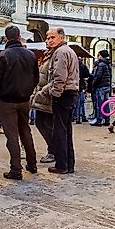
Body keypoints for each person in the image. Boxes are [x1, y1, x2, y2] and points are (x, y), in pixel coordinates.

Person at [0, 26, 39, 180]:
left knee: (11, 135)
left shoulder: (4, 56)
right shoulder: (31, 55)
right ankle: (32, 164)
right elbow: (36, 77)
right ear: (19, 37)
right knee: (26, 132)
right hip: (24, 99)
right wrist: (28, 91)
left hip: (7, 100)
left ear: (6, 38)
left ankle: (16, 169)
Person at [37, 27, 80, 174]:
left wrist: (54, 94)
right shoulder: (66, 51)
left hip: (63, 95)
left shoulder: (61, 52)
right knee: (66, 130)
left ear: (61, 38)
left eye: (52, 37)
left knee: (60, 131)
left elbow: (59, 77)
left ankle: (62, 165)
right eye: (47, 38)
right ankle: (68, 164)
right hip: (69, 93)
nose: (49, 40)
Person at [89, 50, 112, 127]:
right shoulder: (108, 64)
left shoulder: (101, 64)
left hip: (101, 86)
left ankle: (99, 120)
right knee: (106, 104)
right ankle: (107, 120)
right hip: (107, 86)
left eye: (98, 55)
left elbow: (98, 76)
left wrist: (93, 83)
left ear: (101, 55)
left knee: (100, 104)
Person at [75, 59, 90, 124]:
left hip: (73, 85)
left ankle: (76, 117)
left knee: (76, 103)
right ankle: (82, 117)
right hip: (81, 86)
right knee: (81, 102)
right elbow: (87, 74)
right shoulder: (83, 66)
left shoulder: (72, 65)